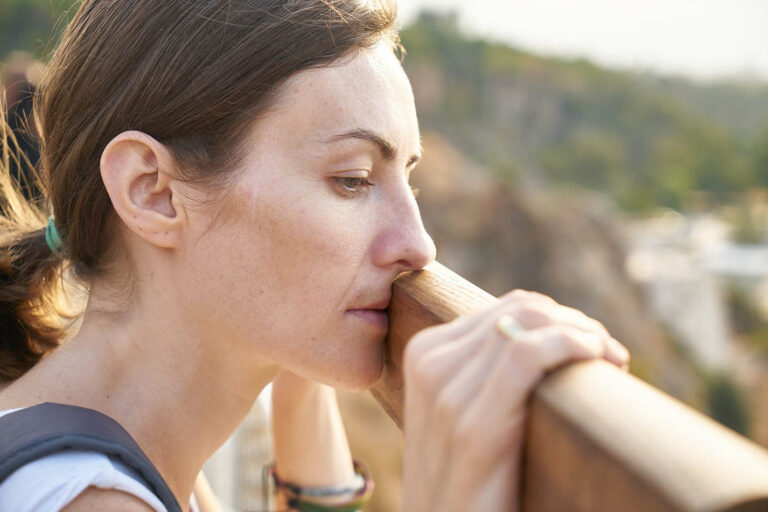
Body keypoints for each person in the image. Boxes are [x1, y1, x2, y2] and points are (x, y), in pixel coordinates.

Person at [0, 1, 630, 511]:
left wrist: (304, 382)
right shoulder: (88, 500)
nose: (420, 245)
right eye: (353, 179)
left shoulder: (123, 450)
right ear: (154, 192)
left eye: (406, 180)